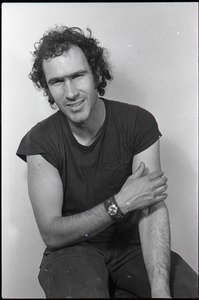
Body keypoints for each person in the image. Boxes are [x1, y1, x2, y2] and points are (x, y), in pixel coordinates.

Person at [16, 26, 198, 298]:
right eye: (57, 82)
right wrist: (121, 203)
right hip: (72, 251)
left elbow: (151, 207)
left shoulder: (138, 123)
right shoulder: (40, 141)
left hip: (133, 248)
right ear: (47, 88)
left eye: (78, 76)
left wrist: (160, 291)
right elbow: (52, 234)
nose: (70, 93)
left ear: (97, 74)